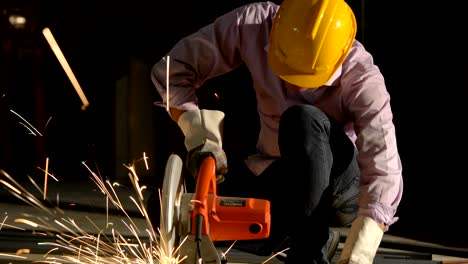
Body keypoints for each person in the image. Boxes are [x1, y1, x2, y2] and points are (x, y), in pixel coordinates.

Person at [150, 0, 403, 263]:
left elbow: (383, 166)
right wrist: (201, 136)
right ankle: (300, 237)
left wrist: (358, 254)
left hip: (339, 191)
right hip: (279, 173)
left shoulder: (362, 75)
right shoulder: (254, 24)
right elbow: (171, 71)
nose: (293, 85)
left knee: (302, 118)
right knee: (182, 212)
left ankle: (308, 253)